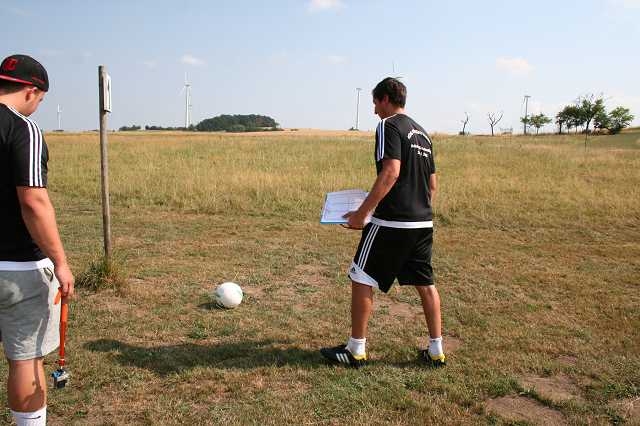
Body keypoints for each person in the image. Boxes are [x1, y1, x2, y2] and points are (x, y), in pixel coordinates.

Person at [320, 77, 445, 368]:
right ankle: (436, 351)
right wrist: (417, 211)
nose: (374, 110)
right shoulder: (423, 134)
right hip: (422, 223)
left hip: (393, 222)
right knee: (426, 283)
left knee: (361, 276)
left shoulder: (388, 126)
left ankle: (355, 350)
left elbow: (391, 172)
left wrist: (361, 215)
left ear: (386, 99)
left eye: (375, 102)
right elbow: (432, 185)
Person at [0, 54, 74, 425]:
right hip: (17, 268)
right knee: (26, 360)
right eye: (41, 101)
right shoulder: (22, 128)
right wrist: (60, 261)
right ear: (31, 91)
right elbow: (33, 201)